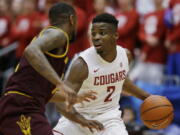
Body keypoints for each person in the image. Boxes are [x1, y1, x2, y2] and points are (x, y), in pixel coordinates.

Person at [0, 2, 98, 135]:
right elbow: (31, 50)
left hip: (23, 103)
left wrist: (72, 96)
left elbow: (44, 93)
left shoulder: (52, 44)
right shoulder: (59, 34)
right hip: (22, 105)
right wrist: (60, 83)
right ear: (71, 19)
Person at [53, 13, 150, 135]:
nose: (96, 37)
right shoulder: (82, 64)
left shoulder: (125, 56)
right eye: (93, 34)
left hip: (109, 119)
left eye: (102, 33)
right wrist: (81, 119)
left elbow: (123, 82)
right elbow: (60, 101)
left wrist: (147, 98)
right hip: (78, 118)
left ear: (115, 36)